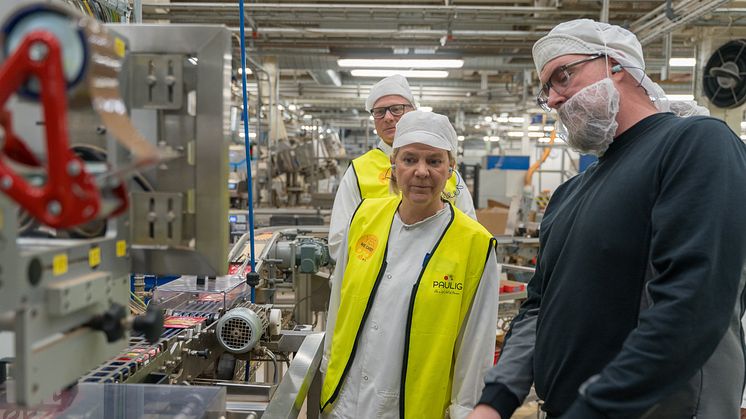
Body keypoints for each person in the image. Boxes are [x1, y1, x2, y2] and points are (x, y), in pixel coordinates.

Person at [469, 18, 746, 419]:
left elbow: (693, 302)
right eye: (546, 90)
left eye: (563, 76)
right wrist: (496, 399)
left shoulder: (694, 145)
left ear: (617, 65)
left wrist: (597, 406)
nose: (555, 99)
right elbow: (539, 307)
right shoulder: (568, 195)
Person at [320, 110, 499, 419]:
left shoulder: (475, 244)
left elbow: (477, 343)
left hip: (411, 408)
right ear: (394, 164)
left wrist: (464, 410)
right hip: (344, 403)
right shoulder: (364, 217)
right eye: (409, 159)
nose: (421, 172)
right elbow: (339, 301)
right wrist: (327, 365)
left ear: (450, 169)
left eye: (434, 161)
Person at [328, 74, 476, 260]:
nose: (388, 117)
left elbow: (469, 232)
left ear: (414, 111)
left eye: (396, 109)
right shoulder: (359, 171)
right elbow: (338, 242)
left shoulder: (447, 169)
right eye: (380, 112)